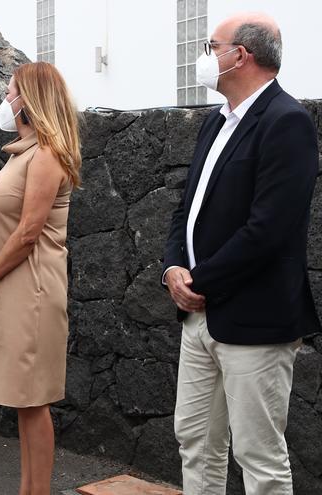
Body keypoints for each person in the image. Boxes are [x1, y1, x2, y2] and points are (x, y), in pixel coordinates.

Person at [162, 13, 320, 495]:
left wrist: (200, 281)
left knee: (258, 455)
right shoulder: (217, 121)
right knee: (195, 441)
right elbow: (186, 208)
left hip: (255, 318)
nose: (206, 56)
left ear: (241, 55)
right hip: (199, 315)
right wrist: (173, 268)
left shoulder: (287, 121)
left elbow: (268, 229)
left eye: (213, 46)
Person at [0, 62, 82, 495]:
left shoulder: (48, 153)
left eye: (11, 90)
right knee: (23, 401)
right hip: (11, 282)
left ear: (30, 99)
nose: (6, 98)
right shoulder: (23, 151)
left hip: (31, 288)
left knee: (34, 402)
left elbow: (29, 230)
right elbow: (3, 221)